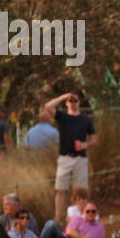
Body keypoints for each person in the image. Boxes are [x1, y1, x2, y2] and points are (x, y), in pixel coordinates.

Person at [45, 91, 97, 224]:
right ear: (67, 103)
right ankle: (59, 219)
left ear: (79, 102)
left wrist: (85, 144)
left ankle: (81, 219)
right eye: (71, 101)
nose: (73, 103)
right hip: (64, 158)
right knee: (61, 189)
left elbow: (94, 139)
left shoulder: (86, 119)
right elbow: (48, 107)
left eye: (75, 100)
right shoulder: (62, 116)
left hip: (80, 158)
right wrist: (63, 96)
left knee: (80, 191)